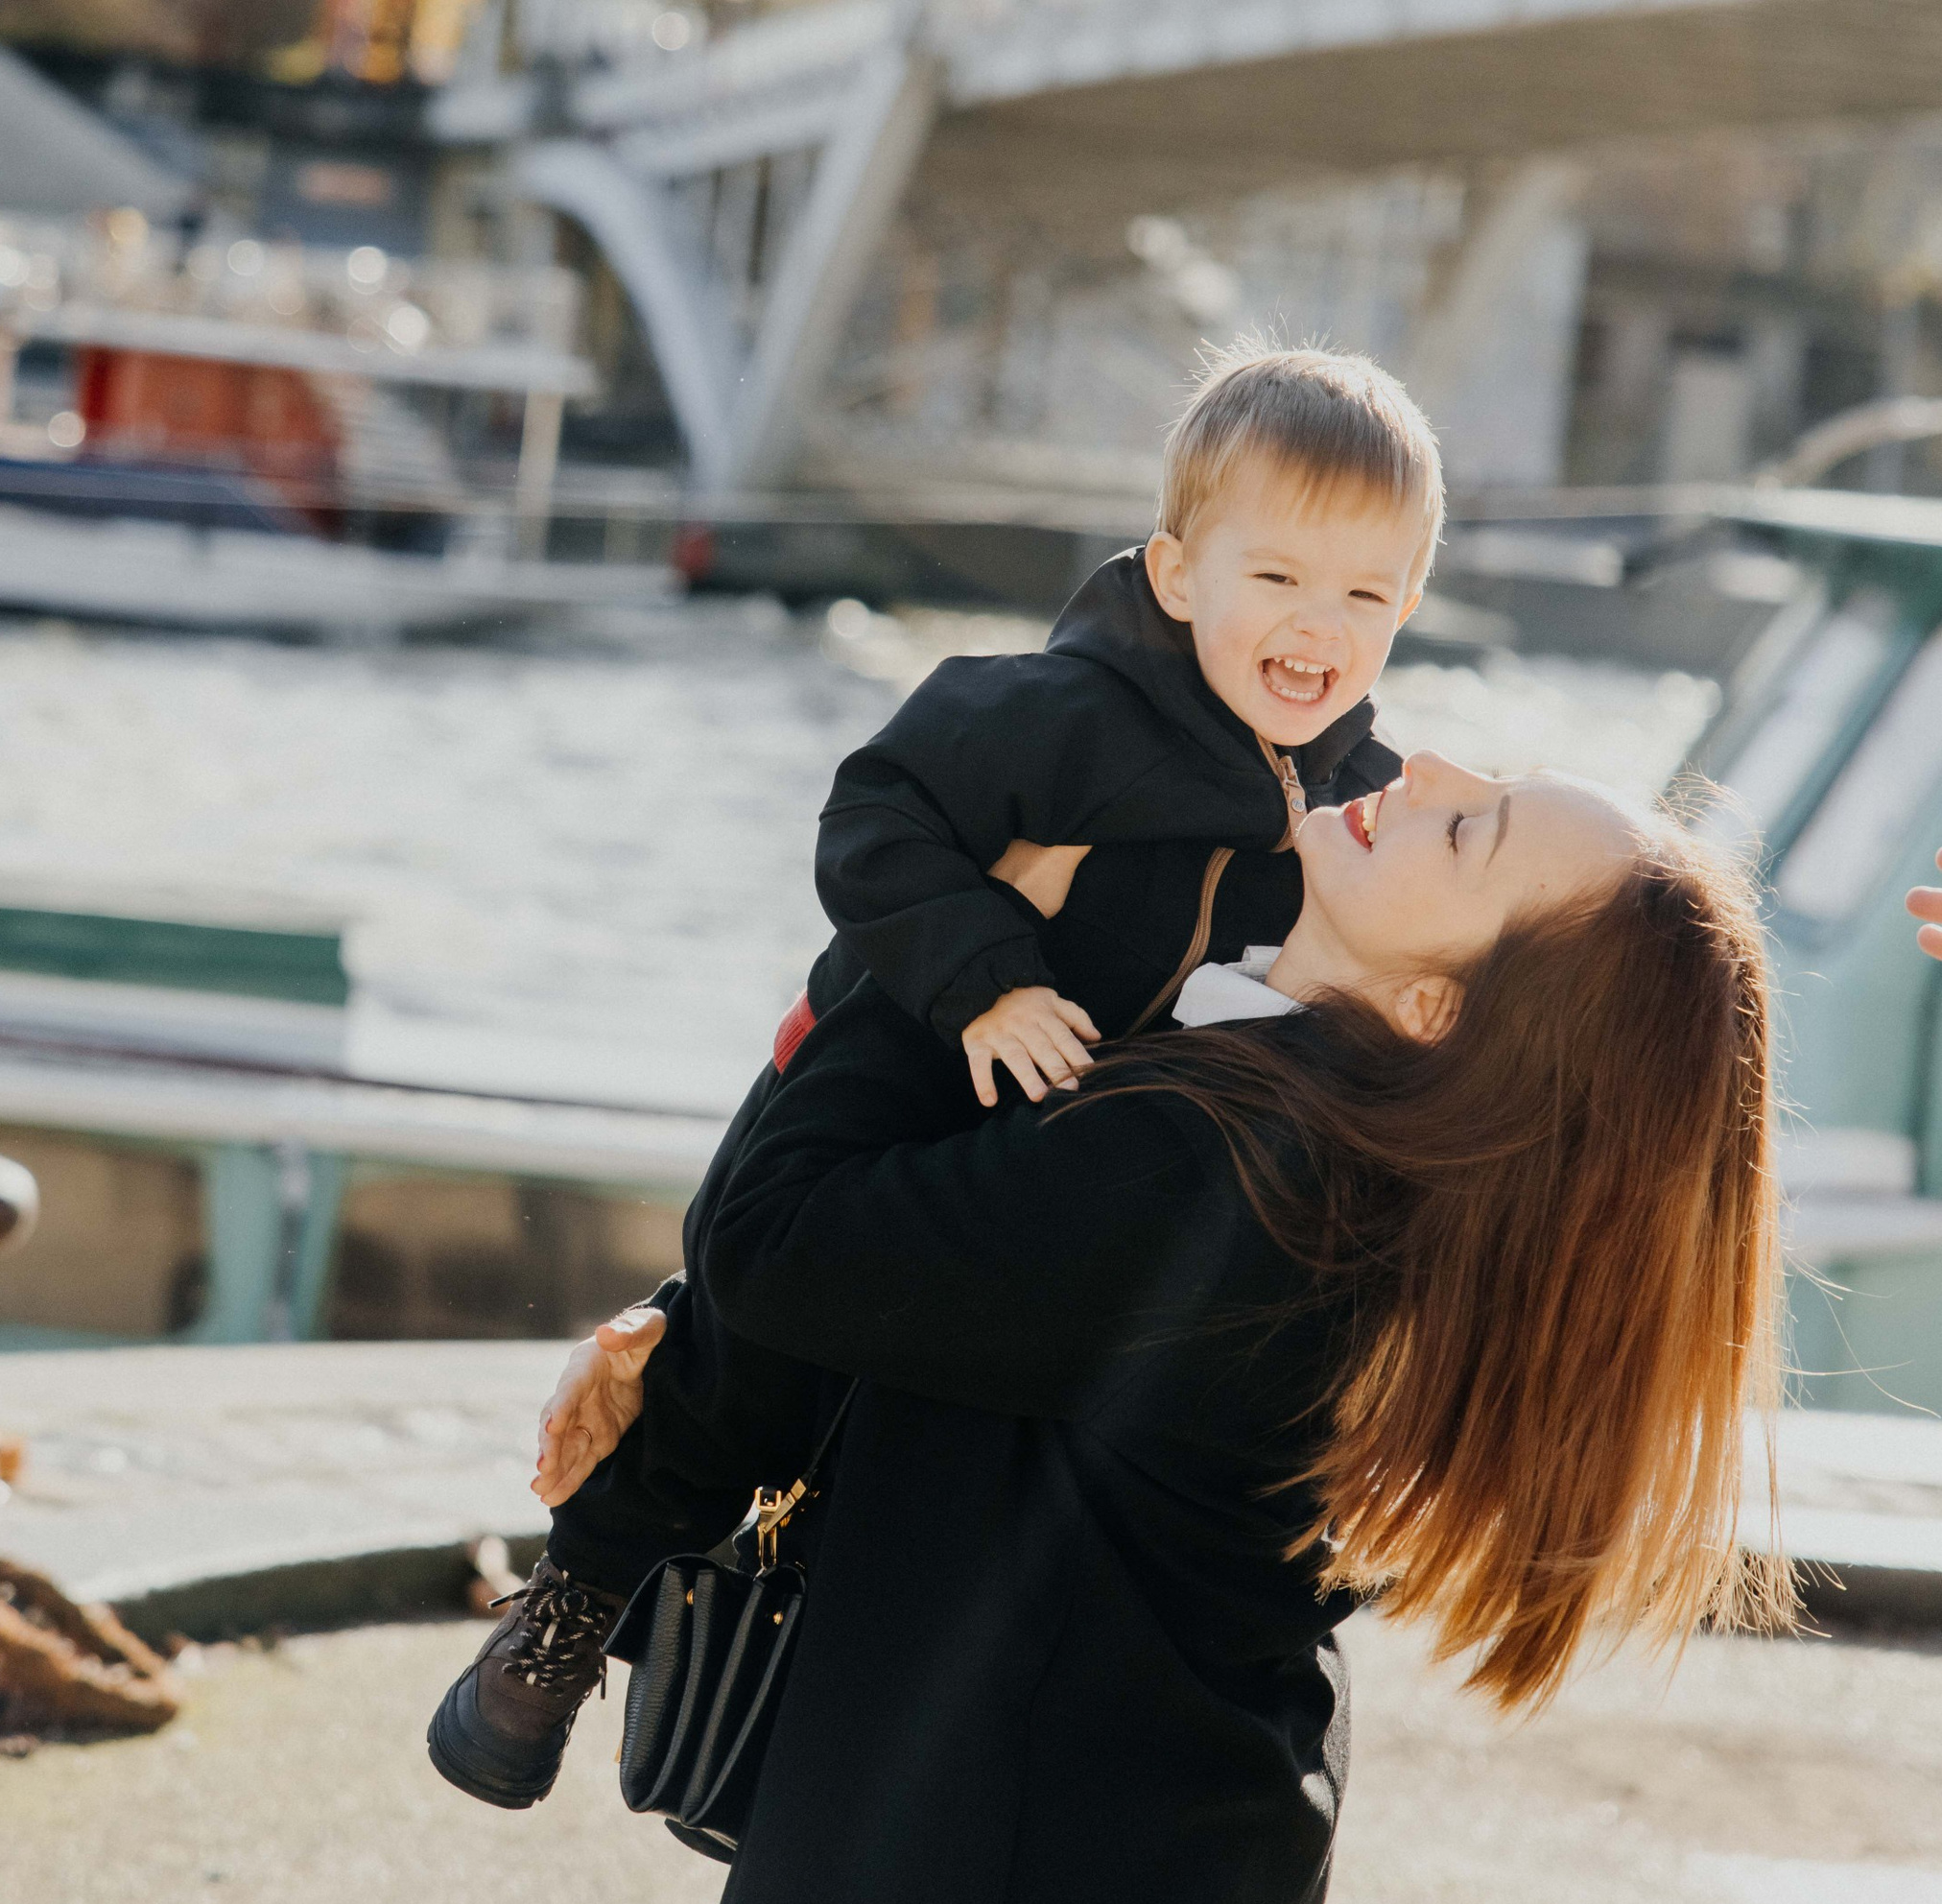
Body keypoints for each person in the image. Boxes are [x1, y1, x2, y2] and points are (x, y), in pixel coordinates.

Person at [426, 344, 1444, 1808]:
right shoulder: (1055, 712)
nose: (1317, 624)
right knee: (748, 1356)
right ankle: (573, 1606)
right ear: (1176, 576)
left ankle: (850, 1710)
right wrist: (987, 976)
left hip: (1071, 1152)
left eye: (1363, 593)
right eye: (1276, 577)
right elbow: (875, 816)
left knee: (932, 1407)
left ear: (1409, 603)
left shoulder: (1363, 806)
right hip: (910, 1055)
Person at [693, 750, 1791, 1900]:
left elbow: (771, 1242)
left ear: (1433, 1009)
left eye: (1470, 830)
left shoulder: (1219, 1172)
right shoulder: (1345, 1184)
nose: (1431, 768)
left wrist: (952, 944)